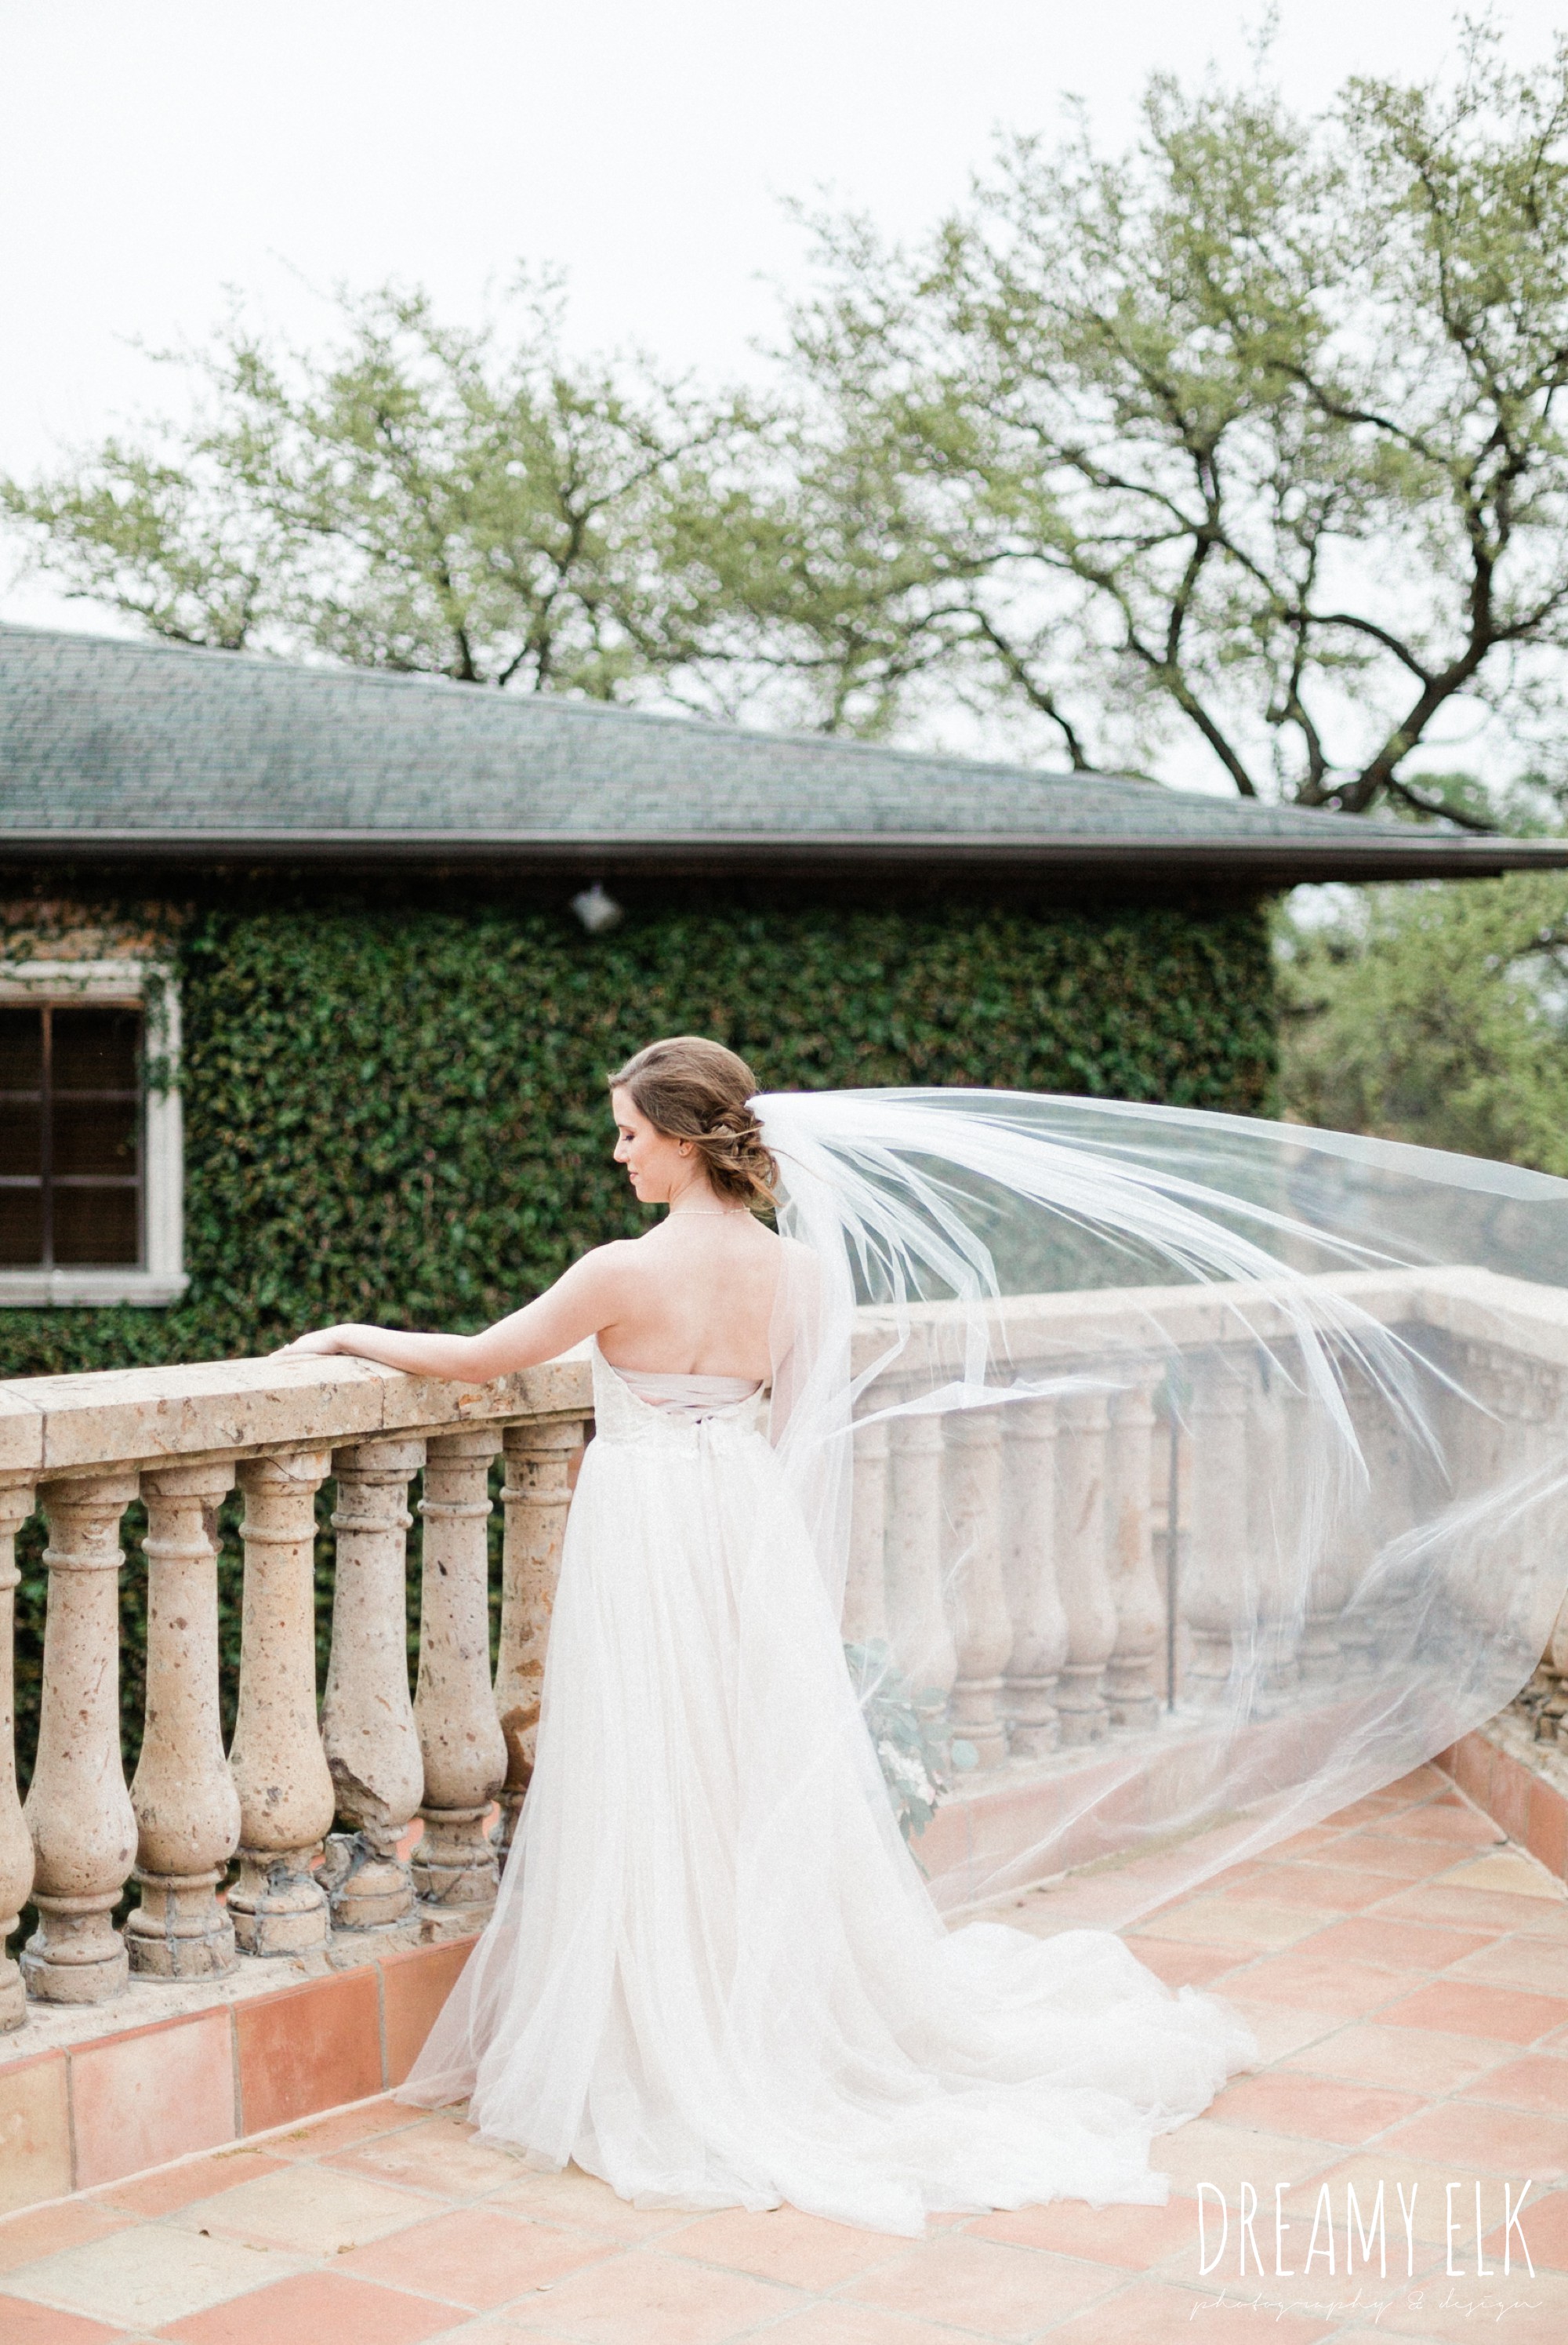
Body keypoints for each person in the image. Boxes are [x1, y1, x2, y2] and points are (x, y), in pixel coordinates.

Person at [278, 1035, 1568, 2233]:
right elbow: (795, 1433)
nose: (617, 1154)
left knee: (655, 1767)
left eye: (628, 1134)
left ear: (682, 1139)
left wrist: (347, 1333)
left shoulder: (621, 1273)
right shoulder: (800, 1274)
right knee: (741, 1768)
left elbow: (477, 1360)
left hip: (649, 1536)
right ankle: (750, 2005)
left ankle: (668, 2025)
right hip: (741, 1527)